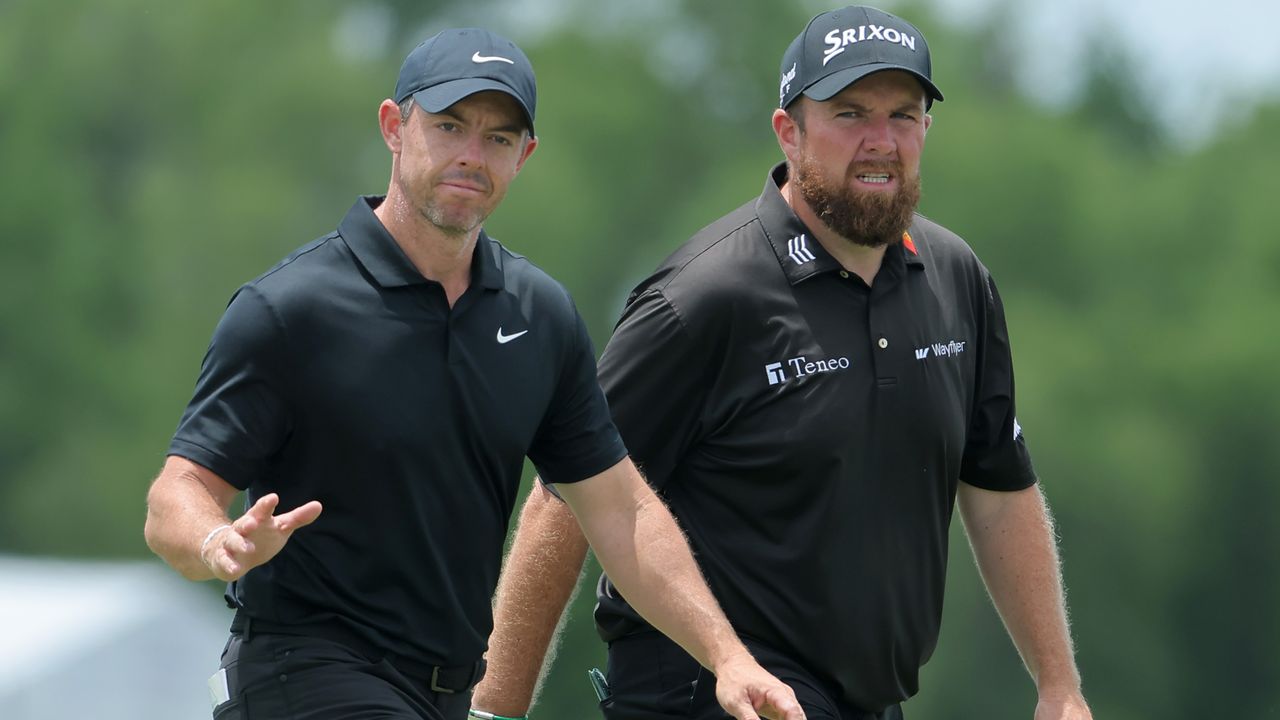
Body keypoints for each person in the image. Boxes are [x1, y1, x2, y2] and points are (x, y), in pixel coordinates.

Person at [143, 27, 805, 720]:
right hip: (302, 671)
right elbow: (176, 492)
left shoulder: (539, 315)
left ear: (525, 155)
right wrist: (217, 542)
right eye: (450, 126)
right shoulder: (290, 309)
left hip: (446, 694)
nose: (471, 155)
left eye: (498, 137)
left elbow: (621, 510)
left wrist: (728, 659)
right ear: (394, 127)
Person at [470, 6, 1093, 720]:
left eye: (904, 115)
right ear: (788, 132)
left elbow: (999, 486)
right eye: (850, 114)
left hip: (869, 697)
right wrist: (495, 710)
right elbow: (567, 500)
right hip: (709, 689)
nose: (880, 141)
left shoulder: (958, 280)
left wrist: (1058, 686)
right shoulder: (704, 298)